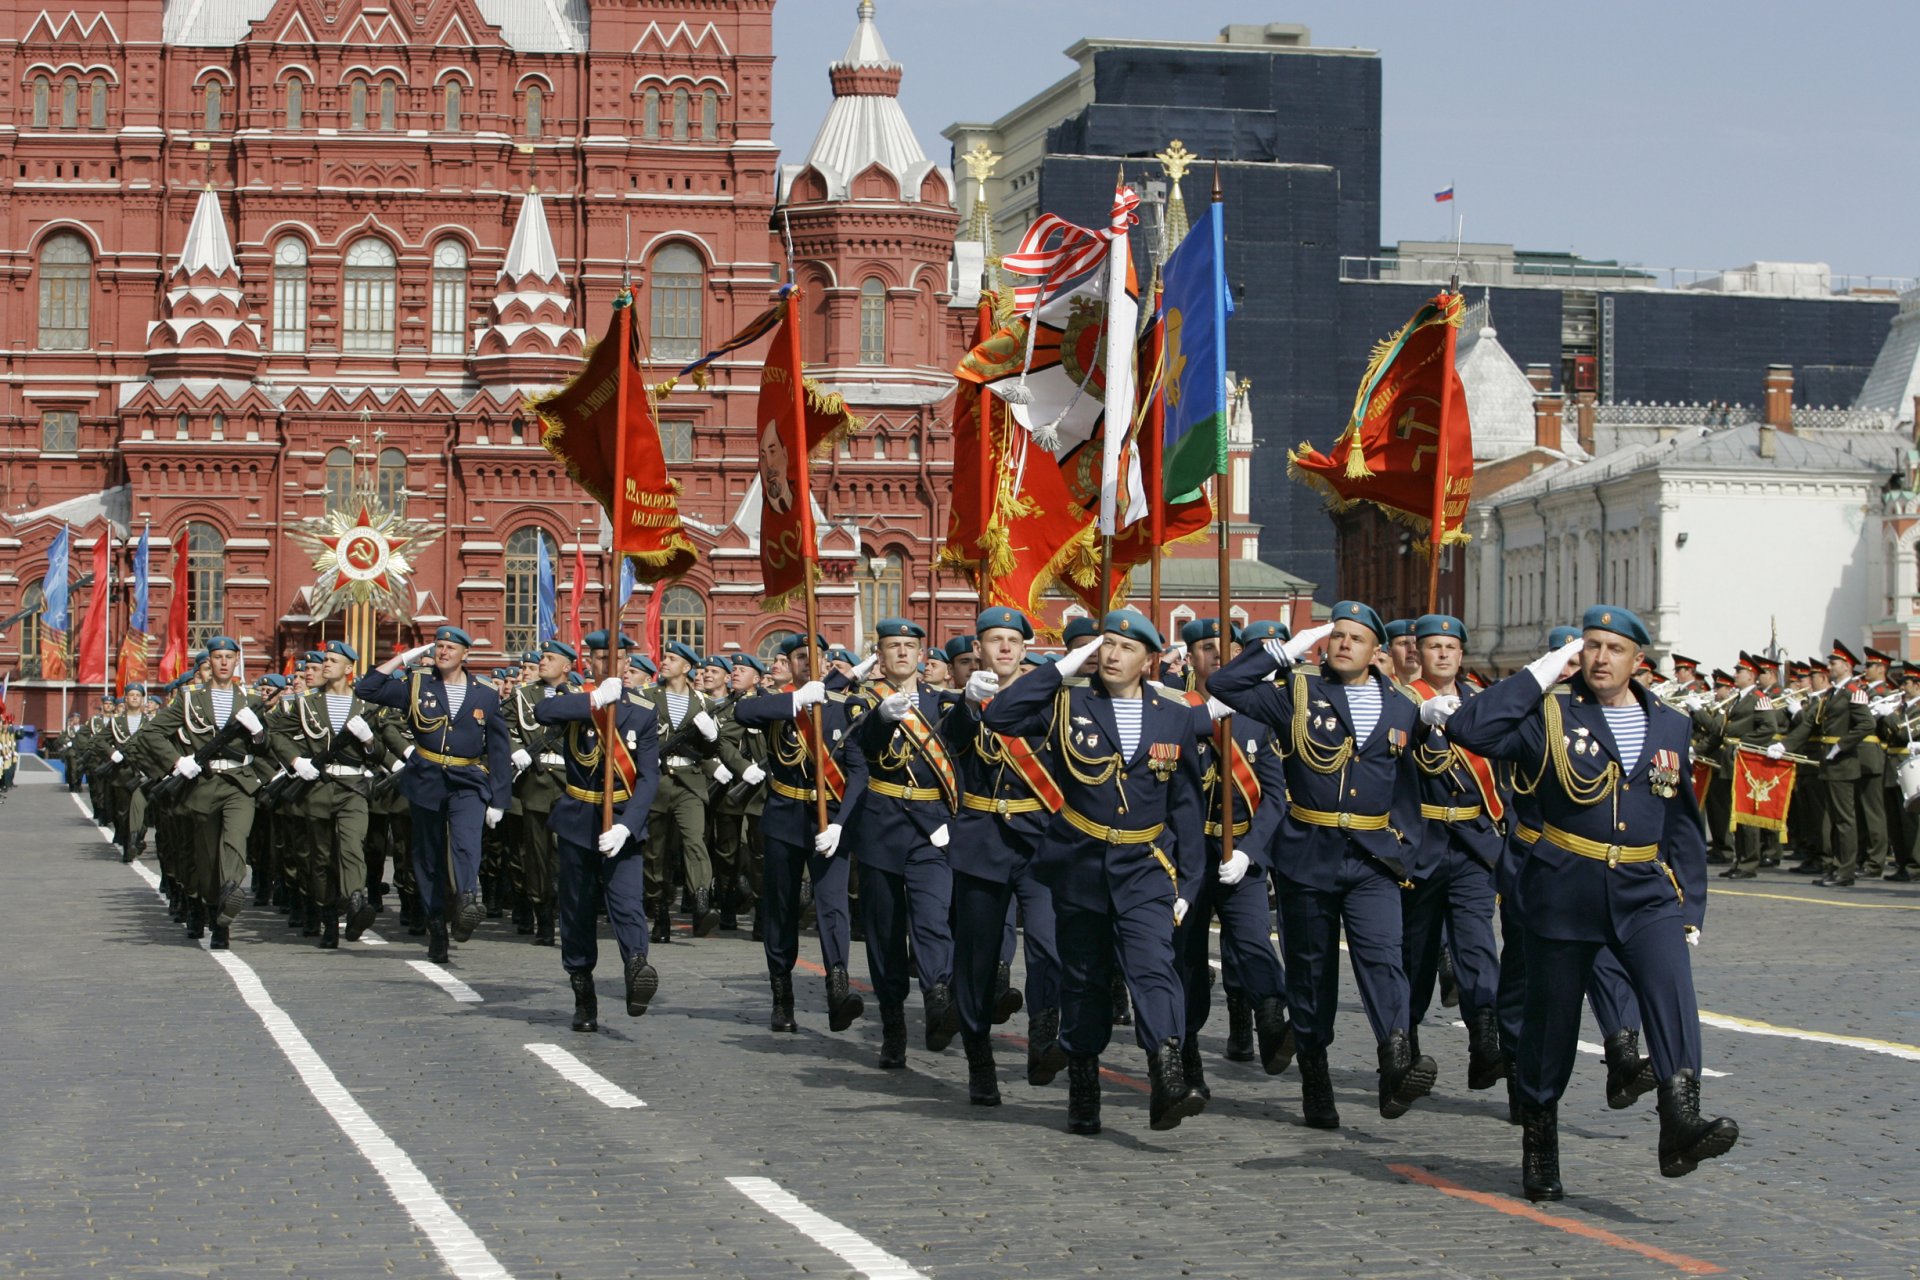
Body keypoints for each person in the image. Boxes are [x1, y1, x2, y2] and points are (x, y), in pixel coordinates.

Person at [1444, 605, 1737, 1201]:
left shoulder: (1670, 725)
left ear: (1638, 660)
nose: (1601, 658)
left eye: (1615, 648)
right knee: (1552, 1025)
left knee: (1672, 994)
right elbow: (1468, 730)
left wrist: (1693, 909)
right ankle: (1541, 1140)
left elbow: (1682, 823)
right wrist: (1542, 671)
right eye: (1592, 646)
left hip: (1645, 890)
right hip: (1565, 886)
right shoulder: (1549, 712)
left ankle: (1680, 1121)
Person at [980, 608, 1207, 1134]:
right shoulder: (1068, 700)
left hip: (1145, 865)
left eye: (1125, 648)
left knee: (1153, 966)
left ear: (1148, 659)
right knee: (1082, 978)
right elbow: (1000, 716)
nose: (1111, 654)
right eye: (1105, 644)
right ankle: (1083, 1080)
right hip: (1079, 860)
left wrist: (1190, 882)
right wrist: (1059, 669)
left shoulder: (1173, 713)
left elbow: (1188, 807)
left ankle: (1166, 1069)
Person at [1211, 603, 1436, 1130]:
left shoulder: (1403, 706)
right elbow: (1225, 684)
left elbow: (1415, 785)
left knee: (1383, 958)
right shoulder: (1298, 692)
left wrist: (1407, 844)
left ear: (1375, 651)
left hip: (1372, 857)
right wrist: (1280, 653)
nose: (1342, 644)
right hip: (1308, 854)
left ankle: (1396, 1061)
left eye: (1356, 638)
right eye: (1337, 635)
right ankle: (1316, 1076)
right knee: (1312, 974)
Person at [943, 607, 1066, 1104]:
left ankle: (1043, 1036)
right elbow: (948, 747)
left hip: (1040, 839)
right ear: (978, 649)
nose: (1005, 648)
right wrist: (967, 708)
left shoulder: (1049, 703)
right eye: (995, 640)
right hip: (983, 840)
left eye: (1014, 640)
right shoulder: (964, 702)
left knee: (1048, 945)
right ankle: (979, 1058)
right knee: (977, 955)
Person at [1171, 618, 1293, 1102]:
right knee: (1187, 961)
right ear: (1190, 657)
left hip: (1238, 853)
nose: (1219, 656)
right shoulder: (1173, 710)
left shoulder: (1257, 716)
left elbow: (1275, 798)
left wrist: (1250, 852)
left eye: (1230, 648)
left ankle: (1270, 1018)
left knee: (1253, 942)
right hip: (1188, 857)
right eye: (1206, 648)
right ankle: (1188, 1053)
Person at [733, 634, 870, 1034]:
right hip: (784, 816)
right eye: (800, 657)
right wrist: (794, 700)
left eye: (818, 657)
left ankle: (838, 990)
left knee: (832, 906)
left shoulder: (845, 707)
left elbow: (859, 770)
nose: (810, 663)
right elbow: (744, 712)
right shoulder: (779, 707)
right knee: (780, 906)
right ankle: (782, 995)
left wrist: (842, 822)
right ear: (790, 664)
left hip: (828, 820)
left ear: (828, 662)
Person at [355, 626, 513, 964]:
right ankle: (437, 926)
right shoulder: (417, 684)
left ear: (465, 654)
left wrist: (500, 799)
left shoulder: (485, 692)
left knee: (467, 842)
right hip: (427, 779)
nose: (443, 652)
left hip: (467, 779)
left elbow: (499, 749)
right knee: (427, 858)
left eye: (450, 648)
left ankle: (468, 899)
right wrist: (403, 658)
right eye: (439, 646)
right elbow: (367, 688)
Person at [846, 619, 960, 1069]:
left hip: (932, 827)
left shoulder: (943, 703)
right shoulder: (864, 703)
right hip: (881, 828)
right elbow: (859, 754)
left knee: (933, 919)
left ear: (921, 655)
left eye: (909, 647)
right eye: (892, 647)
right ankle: (893, 1025)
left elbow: (958, 757)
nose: (901, 654)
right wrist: (879, 720)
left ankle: (937, 999)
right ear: (880, 654)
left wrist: (956, 818)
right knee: (886, 932)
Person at [535, 632, 663, 1031]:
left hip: (621, 823)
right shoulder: (573, 703)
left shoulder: (642, 712)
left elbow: (648, 778)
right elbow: (542, 713)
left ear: (628, 664)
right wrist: (593, 700)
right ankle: (583, 993)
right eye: (600, 657)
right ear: (588, 663)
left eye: (618, 658)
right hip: (578, 821)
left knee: (626, 903)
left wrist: (627, 826)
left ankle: (636, 967)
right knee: (577, 910)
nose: (610, 664)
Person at [1400, 614, 1505, 1092]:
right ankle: (1405, 1049)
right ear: (1417, 653)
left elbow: (1504, 774)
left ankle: (1486, 1042)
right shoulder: (1400, 704)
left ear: (1462, 655)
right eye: (1433, 646)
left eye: (1450, 647)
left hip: (1471, 845)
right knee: (1415, 954)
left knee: (1476, 943)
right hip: (1419, 845)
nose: (1442, 654)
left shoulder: (1481, 705)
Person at [142, 636, 273, 949]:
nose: (224, 662)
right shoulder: (190, 699)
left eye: (230, 656)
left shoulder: (251, 698)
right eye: (218, 657)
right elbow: (152, 732)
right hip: (202, 784)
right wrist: (177, 761)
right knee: (207, 857)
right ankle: (213, 911)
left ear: (237, 661)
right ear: (209, 662)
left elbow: (266, 745)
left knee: (235, 841)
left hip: (239, 782)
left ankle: (230, 895)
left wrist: (258, 732)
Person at [268, 640, 385, 949]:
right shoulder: (306, 704)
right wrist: (296, 760)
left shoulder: (366, 707)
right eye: (326, 659)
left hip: (353, 788)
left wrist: (370, 741)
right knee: (320, 859)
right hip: (317, 787)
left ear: (349, 669)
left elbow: (381, 751)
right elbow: (277, 733)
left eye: (334, 660)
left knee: (351, 846)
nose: (327, 664)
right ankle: (329, 917)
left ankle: (356, 901)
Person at [634, 639, 724, 941]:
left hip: (690, 781)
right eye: (665, 657)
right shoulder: (646, 696)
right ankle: (660, 910)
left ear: (686, 667)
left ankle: (701, 899)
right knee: (654, 852)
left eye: (672, 658)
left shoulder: (704, 703)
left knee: (694, 841)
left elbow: (711, 749)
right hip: (656, 781)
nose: (665, 662)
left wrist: (712, 736)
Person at [1774, 640, 1872, 887]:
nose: (1830, 666)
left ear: (1847, 666)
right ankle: (1836, 866)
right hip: (1827, 762)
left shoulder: (1853, 691)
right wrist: (1785, 745)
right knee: (1834, 820)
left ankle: (1845, 871)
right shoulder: (1831, 694)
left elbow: (1866, 724)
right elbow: (1809, 724)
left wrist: (1842, 744)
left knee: (1844, 820)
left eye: (1834, 662)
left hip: (1843, 761)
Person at [506, 640, 577, 946]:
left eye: (550, 658)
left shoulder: (581, 697)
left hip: (571, 783)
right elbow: (506, 729)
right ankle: (543, 916)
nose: (543, 661)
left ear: (567, 666)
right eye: (542, 657)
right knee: (537, 855)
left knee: (568, 854)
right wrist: (516, 751)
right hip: (535, 782)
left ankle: (569, 911)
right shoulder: (524, 695)